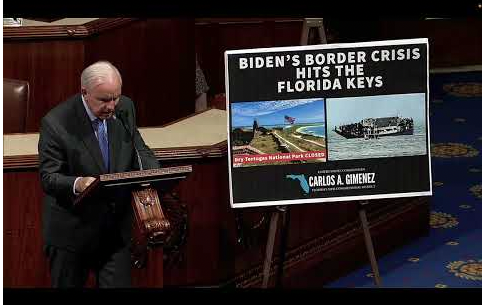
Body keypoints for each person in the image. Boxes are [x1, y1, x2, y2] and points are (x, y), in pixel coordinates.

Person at [38, 61, 160, 288]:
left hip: (113, 232)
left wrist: (151, 172)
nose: (112, 106)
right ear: (84, 92)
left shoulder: (125, 109)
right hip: (72, 233)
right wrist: (78, 182)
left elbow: (139, 149)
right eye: (104, 99)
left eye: (116, 97)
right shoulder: (56, 123)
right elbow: (49, 177)